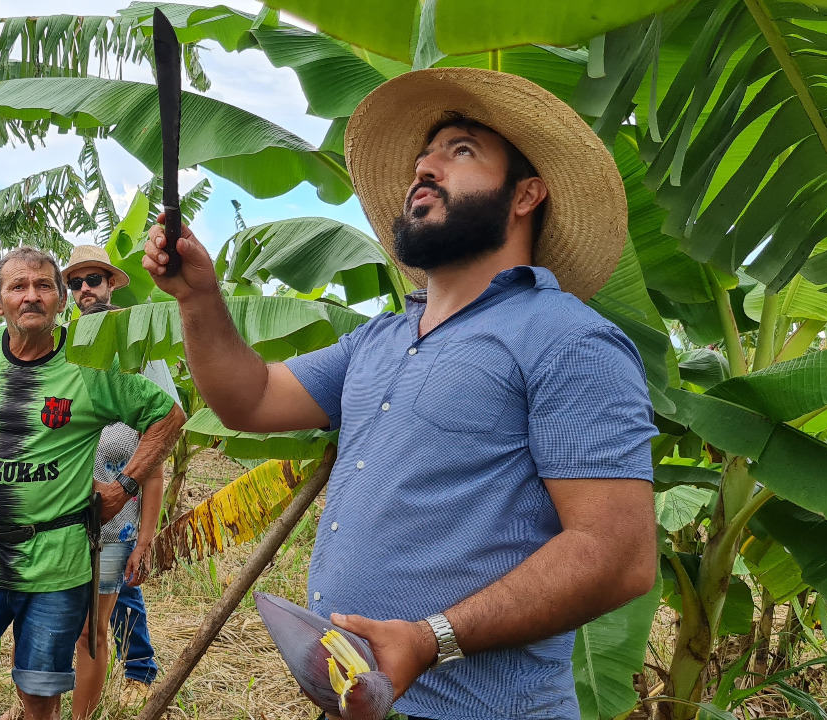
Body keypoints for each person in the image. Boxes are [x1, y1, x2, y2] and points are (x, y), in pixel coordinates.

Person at [142, 67, 657, 719]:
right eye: (423, 157)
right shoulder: (379, 339)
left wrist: (431, 640)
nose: (426, 168)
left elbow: (618, 556)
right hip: (357, 698)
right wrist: (198, 298)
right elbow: (252, 399)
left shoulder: (565, 339)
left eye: (460, 151)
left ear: (526, 194)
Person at [0, 247, 186, 720]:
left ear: (59, 302)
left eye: (44, 287)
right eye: (18, 286)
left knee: (39, 700)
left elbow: (168, 416)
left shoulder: (90, 364)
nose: (31, 296)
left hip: (60, 563)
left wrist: (123, 488)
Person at [61, 246, 175, 714]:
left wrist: (146, 536)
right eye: (76, 283)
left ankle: (126, 679)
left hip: (118, 516)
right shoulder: (64, 348)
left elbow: (160, 443)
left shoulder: (138, 346)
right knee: (57, 619)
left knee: (95, 625)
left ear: (111, 284)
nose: (85, 290)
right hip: (63, 518)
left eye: (94, 280)